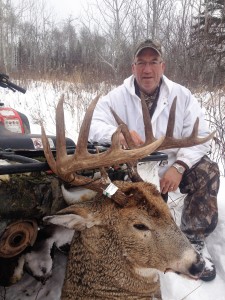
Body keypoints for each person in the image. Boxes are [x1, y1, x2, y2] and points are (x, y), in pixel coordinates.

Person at [88, 39, 220, 281]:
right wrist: (116, 135)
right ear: (133, 67)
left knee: (208, 171)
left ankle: (193, 240)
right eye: (141, 63)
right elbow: (93, 126)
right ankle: (128, 248)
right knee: (108, 190)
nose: (147, 70)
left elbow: (202, 137)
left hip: (171, 167)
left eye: (153, 62)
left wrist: (180, 167)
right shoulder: (117, 97)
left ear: (163, 66)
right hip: (134, 171)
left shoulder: (182, 95)